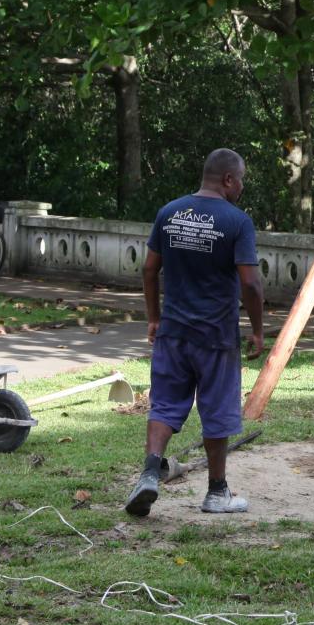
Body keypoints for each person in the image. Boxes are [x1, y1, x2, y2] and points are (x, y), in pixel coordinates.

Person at [126, 148, 264, 518]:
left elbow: (149, 270)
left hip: (173, 331)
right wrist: (257, 331)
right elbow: (250, 284)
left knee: (166, 405)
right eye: (242, 181)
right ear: (228, 180)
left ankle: (150, 473)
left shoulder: (169, 212)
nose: (242, 188)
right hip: (216, 336)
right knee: (217, 410)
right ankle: (217, 492)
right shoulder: (237, 221)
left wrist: (154, 318)